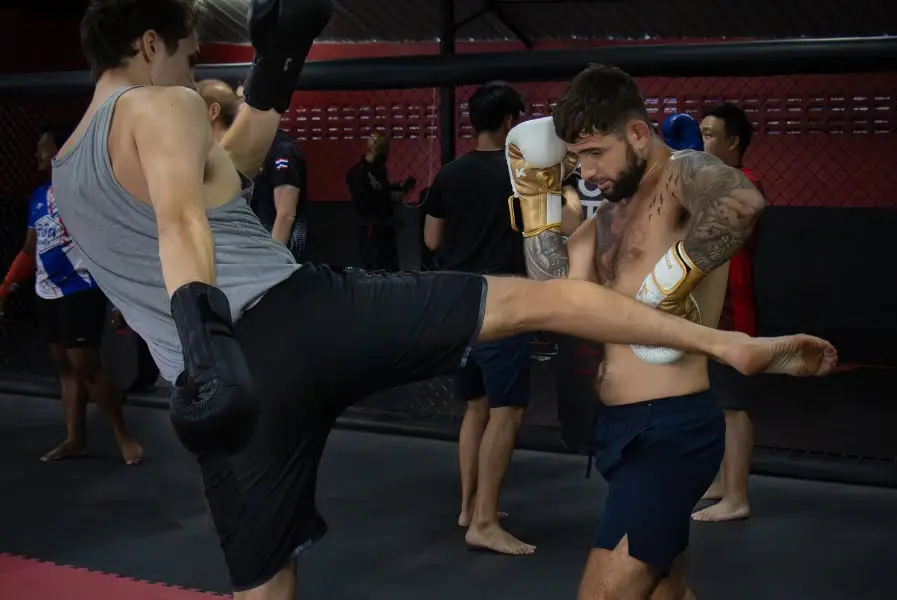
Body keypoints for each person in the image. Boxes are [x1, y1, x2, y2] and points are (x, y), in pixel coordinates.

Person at [54, 3, 835, 598]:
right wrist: (207, 332)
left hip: (225, 396)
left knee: (261, 578)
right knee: (536, 304)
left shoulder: (66, 170)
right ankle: (731, 348)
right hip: (288, 326)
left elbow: (228, 172)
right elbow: (183, 219)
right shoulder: (163, 106)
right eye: (188, 53)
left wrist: (279, 57)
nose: (192, 72)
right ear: (150, 44)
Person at [504, 64, 828, 599]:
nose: (585, 174)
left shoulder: (682, 174)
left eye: (594, 153)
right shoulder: (612, 213)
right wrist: (537, 208)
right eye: (576, 157)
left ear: (635, 133)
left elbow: (742, 203)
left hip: (669, 432)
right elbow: (554, 289)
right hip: (621, 430)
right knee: (664, 592)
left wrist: (666, 284)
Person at [424, 81, 535, 555]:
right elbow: (550, 231)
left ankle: (470, 507)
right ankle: (485, 521)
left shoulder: (449, 174)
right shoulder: (523, 174)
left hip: (458, 302)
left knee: (475, 408)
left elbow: (431, 240)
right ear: (510, 123)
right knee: (507, 411)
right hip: (505, 301)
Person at [0, 123, 142, 465]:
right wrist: (5, 286)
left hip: (80, 289)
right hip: (46, 291)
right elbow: (29, 250)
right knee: (65, 367)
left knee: (88, 366)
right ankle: (74, 439)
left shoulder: (87, 192)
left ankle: (124, 437)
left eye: (43, 146)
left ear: (61, 152)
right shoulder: (37, 197)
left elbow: (112, 244)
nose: (37, 153)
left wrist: (122, 296)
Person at [692, 102, 763, 523]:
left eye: (710, 134)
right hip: (705, 308)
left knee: (734, 407)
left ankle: (737, 496)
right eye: (700, 133)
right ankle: (722, 480)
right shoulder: (707, 183)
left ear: (733, 142)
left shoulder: (746, 184)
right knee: (715, 403)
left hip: (732, 311)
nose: (702, 142)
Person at [345, 132, 409, 271]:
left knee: (391, 268)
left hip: (386, 227)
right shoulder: (358, 172)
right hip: (371, 228)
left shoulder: (380, 170)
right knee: (375, 268)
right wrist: (388, 197)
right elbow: (363, 203)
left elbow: (380, 191)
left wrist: (394, 190)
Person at [249, 126, 308, 261]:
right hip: (255, 249)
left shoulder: (283, 150)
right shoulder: (254, 149)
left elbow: (286, 214)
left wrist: (272, 259)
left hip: (280, 256)